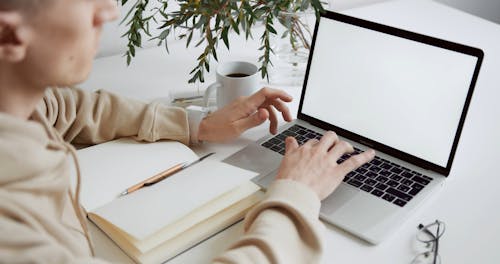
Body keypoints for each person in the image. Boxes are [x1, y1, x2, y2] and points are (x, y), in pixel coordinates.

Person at [0, 0, 375, 263]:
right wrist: (297, 197)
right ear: (9, 36)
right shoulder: (15, 239)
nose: (110, 11)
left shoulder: (17, 99)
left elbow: (66, 107)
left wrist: (197, 124)